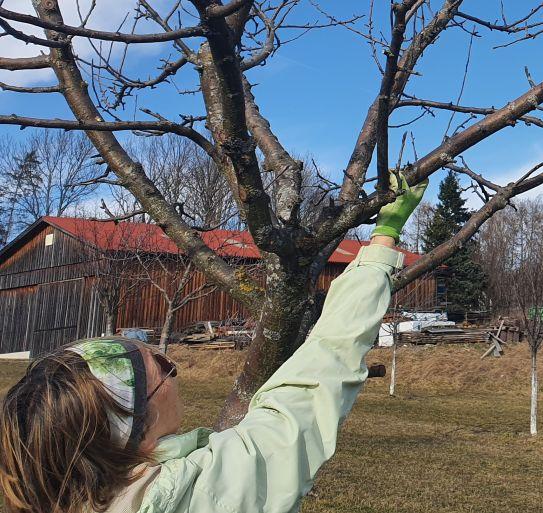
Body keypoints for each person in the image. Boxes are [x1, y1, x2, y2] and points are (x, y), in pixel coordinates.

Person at [0, 174, 425, 513]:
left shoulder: (64, 494)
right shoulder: (199, 491)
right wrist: (384, 237)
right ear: (131, 427)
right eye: (160, 370)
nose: (173, 371)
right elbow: (320, 370)